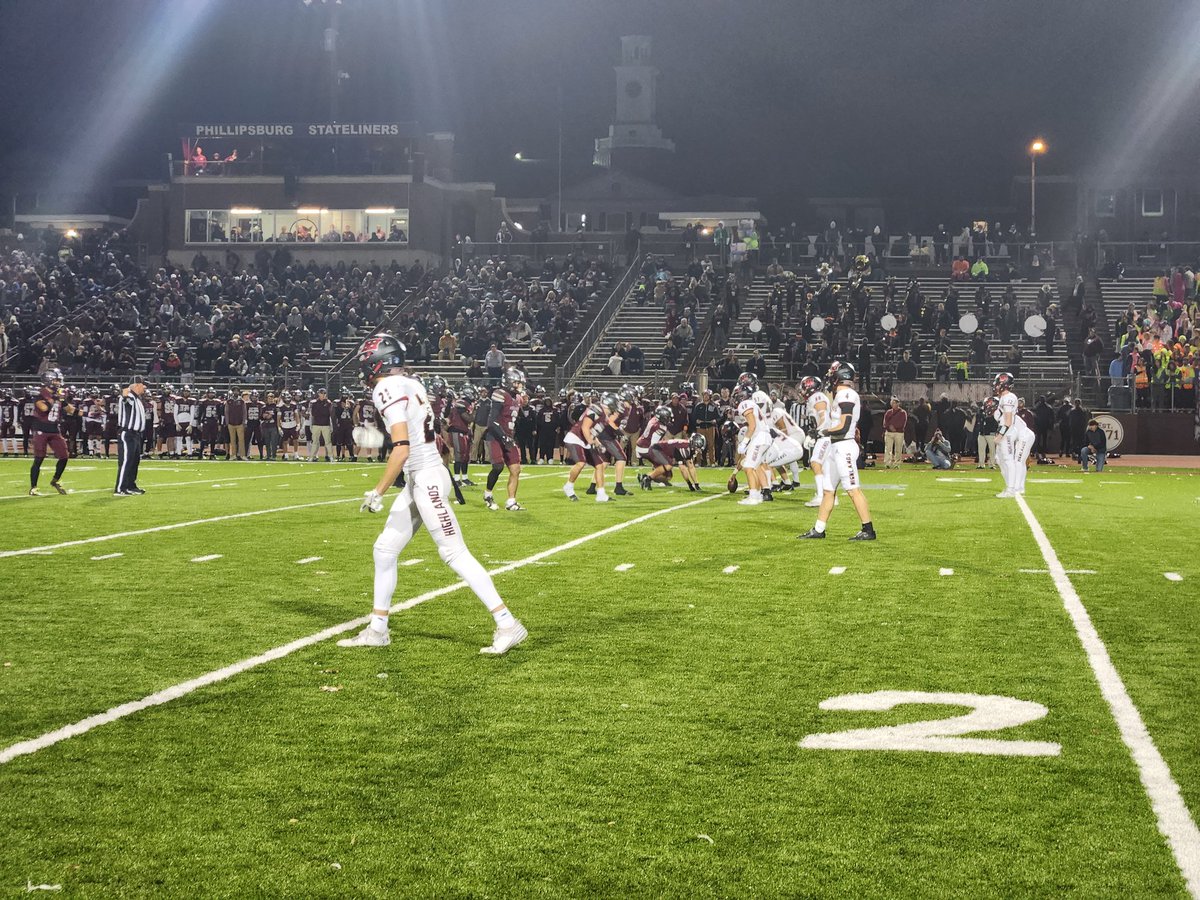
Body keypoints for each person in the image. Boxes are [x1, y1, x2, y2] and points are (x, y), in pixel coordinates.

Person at [337, 333, 526, 655]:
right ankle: (378, 628)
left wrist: (378, 490)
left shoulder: (387, 387)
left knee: (454, 553)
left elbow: (401, 448)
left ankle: (507, 623)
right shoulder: (412, 383)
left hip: (425, 478)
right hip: (423, 475)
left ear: (377, 360)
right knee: (384, 550)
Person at [798, 361, 876, 541]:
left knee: (853, 489)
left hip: (844, 446)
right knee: (827, 490)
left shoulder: (846, 394)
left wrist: (820, 432)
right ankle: (819, 529)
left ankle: (868, 529)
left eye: (833, 373)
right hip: (836, 446)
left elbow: (843, 425)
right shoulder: (840, 394)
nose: (829, 376)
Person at [482, 367, 525, 511]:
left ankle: (511, 501)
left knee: (515, 469)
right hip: (495, 435)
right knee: (498, 466)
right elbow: (492, 421)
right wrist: (504, 436)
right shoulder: (500, 394)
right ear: (508, 381)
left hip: (508, 436)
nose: (519, 385)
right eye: (517, 383)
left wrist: (510, 436)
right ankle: (488, 494)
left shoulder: (517, 398)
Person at [28, 369, 73, 496]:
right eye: (56, 380)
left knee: (64, 456)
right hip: (41, 428)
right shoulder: (40, 393)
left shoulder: (57, 394)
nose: (58, 383)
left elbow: (70, 409)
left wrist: (84, 413)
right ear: (48, 380)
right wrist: (55, 397)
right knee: (39, 458)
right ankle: (33, 487)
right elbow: (44, 408)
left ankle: (56, 480)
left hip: (54, 428)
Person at [992, 372, 1032, 498]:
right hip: (1009, 431)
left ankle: (1012, 489)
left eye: (998, 384)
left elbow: (1008, 421)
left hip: (1008, 432)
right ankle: (1011, 488)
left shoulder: (1008, 397)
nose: (996, 386)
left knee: (1011, 461)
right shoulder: (1006, 398)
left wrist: (1000, 435)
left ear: (1004, 384)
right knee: (1005, 460)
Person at [114, 377, 148, 495]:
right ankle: (120, 488)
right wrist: (126, 392)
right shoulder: (129, 396)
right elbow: (125, 399)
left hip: (136, 434)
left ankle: (130, 486)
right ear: (136, 385)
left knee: (134, 461)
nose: (145, 387)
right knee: (126, 461)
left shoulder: (137, 398)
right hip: (127, 433)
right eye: (143, 384)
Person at [309, 387, 334, 461]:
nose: (323, 395)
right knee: (315, 442)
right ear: (318, 394)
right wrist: (311, 424)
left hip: (326, 424)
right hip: (316, 424)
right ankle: (311, 457)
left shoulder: (328, 403)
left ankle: (331, 457)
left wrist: (331, 424)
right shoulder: (314, 403)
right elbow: (313, 414)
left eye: (324, 393)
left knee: (328, 442)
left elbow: (330, 414)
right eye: (321, 393)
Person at [882, 397, 907, 469]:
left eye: (895, 403)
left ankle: (897, 464)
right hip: (889, 432)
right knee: (888, 448)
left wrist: (895, 428)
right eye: (892, 403)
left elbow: (903, 423)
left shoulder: (903, 413)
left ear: (898, 404)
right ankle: (887, 463)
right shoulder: (888, 412)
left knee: (898, 449)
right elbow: (885, 422)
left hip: (899, 433)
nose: (894, 404)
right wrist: (889, 427)